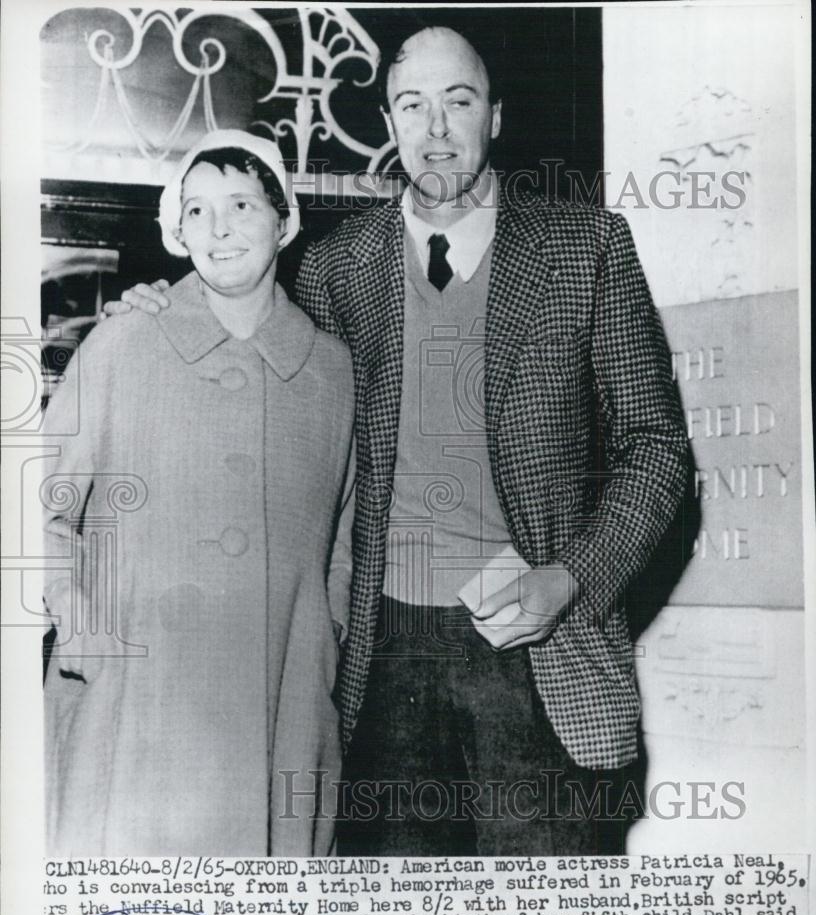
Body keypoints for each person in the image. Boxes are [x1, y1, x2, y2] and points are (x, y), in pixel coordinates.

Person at [102, 26, 689, 856]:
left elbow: (657, 448)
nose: (437, 128)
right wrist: (156, 314)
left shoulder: (586, 248)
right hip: (381, 665)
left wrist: (572, 578)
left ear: (495, 117)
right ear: (388, 121)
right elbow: (251, 373)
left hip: (537, 654)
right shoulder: (338, 267)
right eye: (414, 105)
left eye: (460, 101)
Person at [42, 129, 355, 856]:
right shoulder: (122, 344)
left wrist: (322, 652)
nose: (219, 230)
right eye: (197, 211)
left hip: (284, 717)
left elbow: (343, 545)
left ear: (284, 220)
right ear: (175, 231)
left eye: (242, 204)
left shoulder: (333, 373)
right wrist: (81, 628)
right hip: (130, 712)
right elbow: (35, 510)